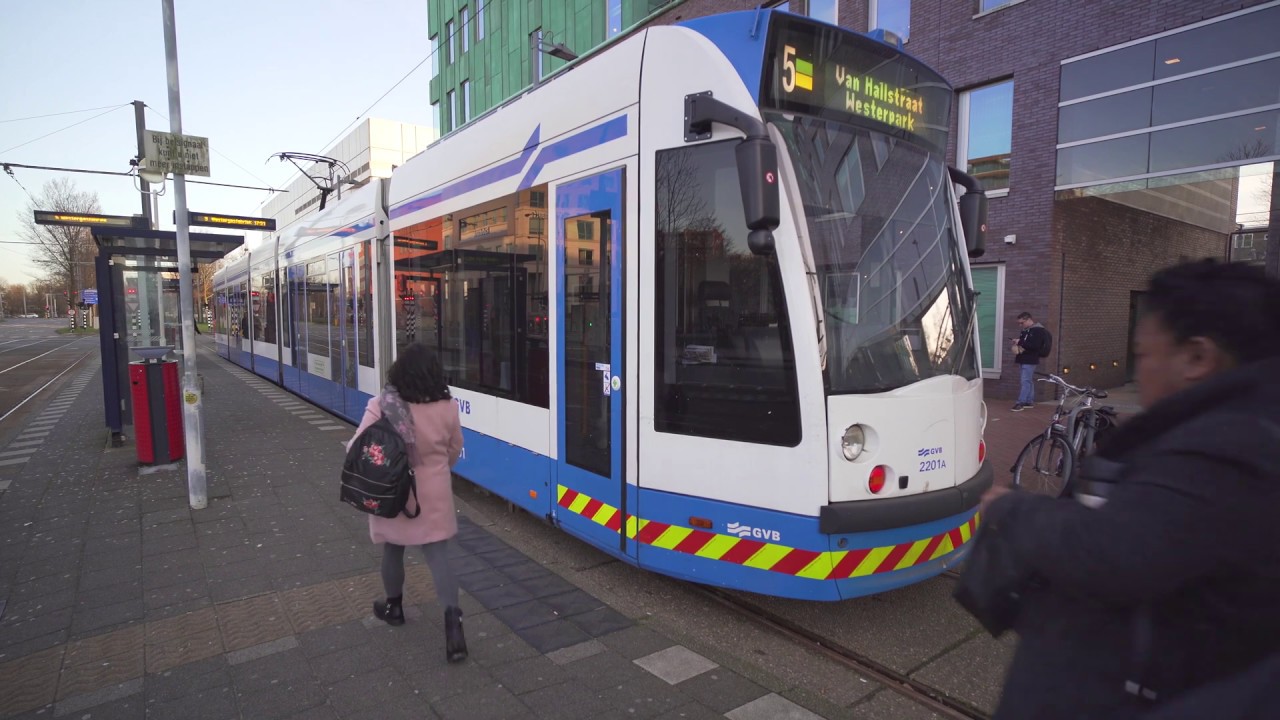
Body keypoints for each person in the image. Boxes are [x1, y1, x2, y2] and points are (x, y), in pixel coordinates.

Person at [967, 260, 1280, 719]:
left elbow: (1115, 553)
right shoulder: (1225, 428)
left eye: (1145, 355)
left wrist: (1015, 511)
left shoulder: (1226, 449)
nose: (1141, 370)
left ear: (1196, 358)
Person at [348, 342, 468, 663]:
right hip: (435, 493)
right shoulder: (447, 407)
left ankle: (394, 607)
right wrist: (437, 470)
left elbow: (357, 447)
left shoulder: (382, 405)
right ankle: (454, 628)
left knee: (392, 549)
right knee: (440, 557)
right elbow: (454, 450)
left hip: (394, 492)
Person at [1011, 311, 1051, 411]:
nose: (1020, 325)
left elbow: (1035, 346)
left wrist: (1019, 342)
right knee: (1028, 380)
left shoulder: (1037, 331)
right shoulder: (1026, 330)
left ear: (1029, 320)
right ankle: (1029, 401)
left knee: (1025, 381)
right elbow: (1026, 343)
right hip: (1024, 358)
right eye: (1019, 323)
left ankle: (1021, 402)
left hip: (1030, 359)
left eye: (1022, 322)